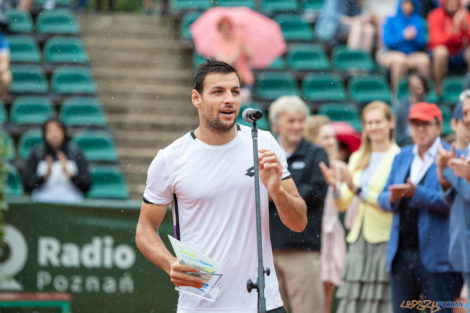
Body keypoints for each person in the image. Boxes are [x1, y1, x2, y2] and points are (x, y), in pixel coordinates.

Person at [135, 59, 307, 313]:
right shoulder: (170, 158)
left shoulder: (264, 143)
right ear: (196, 98)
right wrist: (170, 264)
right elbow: (144, 230)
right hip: (201, 305)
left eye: (235, 91)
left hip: (264, 303)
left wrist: (277, 191)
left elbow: (299, 222)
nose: (230, 99)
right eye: (218, 92)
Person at [378, 102, 462, 313]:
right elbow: (382, 198)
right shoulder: (402, 156)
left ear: (438, 126)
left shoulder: (454, 157)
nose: (420, 129)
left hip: (438, 258)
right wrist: (394, 198)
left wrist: (417, 193)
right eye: (415, 124)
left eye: (425, 124)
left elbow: (454, 203)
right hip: (402, 255)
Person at [320, 101, 399, 313]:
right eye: (369, 123)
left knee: (381, 302)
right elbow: (344, 201)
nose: (373, 127)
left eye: (378, 122)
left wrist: (356, 189)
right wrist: (336, 188)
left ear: (391, 123)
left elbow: (390, 200)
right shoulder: (357, 157)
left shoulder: (399, 157)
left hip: (384, 238)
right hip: (358, 238)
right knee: (354, 302)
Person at [267, 96, 328, 313]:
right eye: (291, 121)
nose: (297, 126)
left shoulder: (317, 154)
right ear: (276, 124)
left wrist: (275, 192)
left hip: (303, 249)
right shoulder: (264, 152)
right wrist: (285, 195)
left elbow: (313, 195)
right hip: (267, 251)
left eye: (300, 120)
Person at [304, 115, 347, 313]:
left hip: (331, 234)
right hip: (308, 236)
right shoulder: (306, 168)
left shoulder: (341, 168)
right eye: (325, 137)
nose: (331, 142)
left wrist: (338, 187)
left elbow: (344, 206)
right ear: (313, 140)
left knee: (328, 290)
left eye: (332, 137)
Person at [436, 91, 470, 298]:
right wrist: (445, 178)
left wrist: (447, 169)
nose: (467, 119)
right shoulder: (467, 149)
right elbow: (454, 196)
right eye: (465, 113)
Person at [22, 117, 91, 203]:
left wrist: (70, 175)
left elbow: (87, 186)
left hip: (71, 205)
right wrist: (44, 177)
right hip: (42, 205)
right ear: (44, 133)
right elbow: (27, 185)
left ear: (64, 132)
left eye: (57, 130)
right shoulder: (36, 153)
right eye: (50, 131)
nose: (54, 135)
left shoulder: (76, 153)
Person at [380, 0, 430, 92]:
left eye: (410, 4)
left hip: (412, 54)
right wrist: (403, 36)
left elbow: (422, 43)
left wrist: (414, 37)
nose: (407, 6)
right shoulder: (391, 20)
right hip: (393, 53)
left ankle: (424, 93)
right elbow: (387, 42)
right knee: (400, 61)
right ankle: (397, 93)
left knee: (424, 60)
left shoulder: (418, 20)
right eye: (405, 4)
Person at [428, 0, 470, 95]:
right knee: (441, 52)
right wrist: (454, 28)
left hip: (459, 54)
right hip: (442, 54)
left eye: (454, 3)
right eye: (450, 3)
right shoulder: (435, 15)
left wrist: (466, 26)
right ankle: (439, 91)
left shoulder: (464, 15)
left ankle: (469, 87)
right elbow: (436, 42)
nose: (452, 6)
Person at [214, 17, 254, 102]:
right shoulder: (218, 44)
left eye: (228, 27)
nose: (226, 30)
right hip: (227, 80)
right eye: (224, 28)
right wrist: (237, 51)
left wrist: (244, 48)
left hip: (243, 79)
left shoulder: (240, 40)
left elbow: (251, 56)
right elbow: (226, 62)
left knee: (243, 101)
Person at [393, 72, 429, 147]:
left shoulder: (430, 108)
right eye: (414, 85)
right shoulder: (401, 107)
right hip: (405, 144)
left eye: (420, 84)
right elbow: (397, 134)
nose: (418, 87)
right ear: (409, 87)